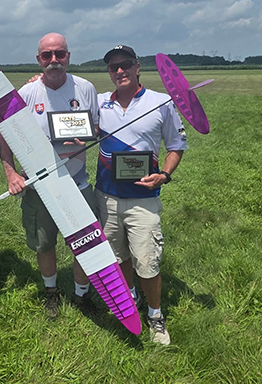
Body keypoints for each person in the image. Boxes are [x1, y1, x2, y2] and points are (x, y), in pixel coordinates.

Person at [0, 33, 100, 319]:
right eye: (47, 55)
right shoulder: (27, 94)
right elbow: (3, 137)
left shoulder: (86, 88)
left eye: (60, 54)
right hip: (39, 185)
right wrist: (10, 174)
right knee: (44, 244)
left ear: (69, 56)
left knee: (86, 243)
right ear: (39, 60)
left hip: (77, 182)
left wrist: (87, 137)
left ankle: (82, 296)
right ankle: (51, 293)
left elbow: (96, 127)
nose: (54, 60)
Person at [95, 45, 188, 345]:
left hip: (143, 200)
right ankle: (130, 297)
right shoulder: (98, 103)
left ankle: (155, 315)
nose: (119, 71)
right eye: (113, 67)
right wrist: (35, 83)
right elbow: (66, 116)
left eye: (125, 65)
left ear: (137, 67)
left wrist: (165, 174)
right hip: (106, 196)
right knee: (119, 257)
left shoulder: (161, 102)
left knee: (147, 262)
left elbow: (176, 146)